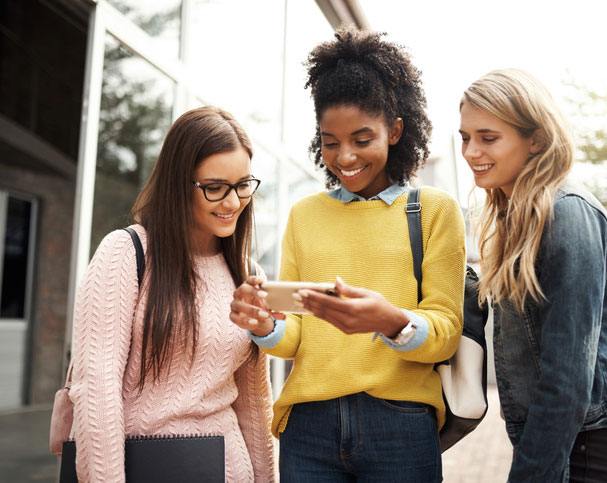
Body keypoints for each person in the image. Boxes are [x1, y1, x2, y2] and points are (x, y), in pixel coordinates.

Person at [230, 28, 466, 482]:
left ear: (395, 130)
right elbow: (296, 334)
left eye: (362, 139)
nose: (345, 156)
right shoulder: (304, 215)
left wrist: (389, 320)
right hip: (309, 427)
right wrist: (264, 325)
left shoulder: (433, 210)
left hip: (400, 423)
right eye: (330, 141)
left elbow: (445, 333)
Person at [459, 68, 607, 482]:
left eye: (487, 138)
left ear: (537, 140)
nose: (471, 151)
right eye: (465, 137)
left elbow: (568, 375)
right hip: (570, 445)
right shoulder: (520, 219)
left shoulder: (565, 213)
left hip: (592, 453)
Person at [69, 106, 274, 483]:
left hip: (230, 471)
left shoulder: (248, 273)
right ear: (179, 183)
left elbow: (254, 401)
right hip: (145, 466)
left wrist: (267, 479)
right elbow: (96, 390)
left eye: (243, 185)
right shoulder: (125, 253)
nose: (233, 202)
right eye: (215, 188)